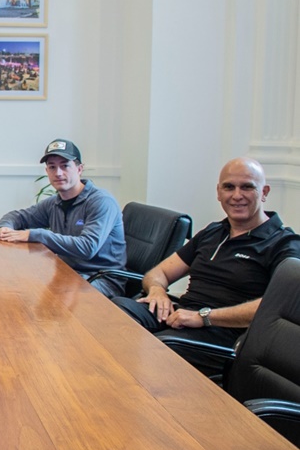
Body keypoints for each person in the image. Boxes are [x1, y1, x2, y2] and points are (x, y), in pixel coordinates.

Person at [111, 158, 300, 375]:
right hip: (180, 315)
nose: (237, 195)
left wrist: (204, 317)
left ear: (264, 192)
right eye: (229, 187)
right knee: (111, 314)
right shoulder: (213, 232)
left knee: (150, 352)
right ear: (219, 192)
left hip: (222, 334)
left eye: (247, 187)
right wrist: (157, 291)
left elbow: (276, 306)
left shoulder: (284, 243)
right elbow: (159, 272)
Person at [0, 139, 127, 298]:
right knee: (15, 286)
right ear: (47, 171)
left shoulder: (101, 201)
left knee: (51, 299)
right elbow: (18, 216)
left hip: (102, 279)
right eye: (52, 167)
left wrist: (36, 234)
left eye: (65, 166)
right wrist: (5, 227)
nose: (58, 173)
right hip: (68, 273)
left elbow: (87, 247)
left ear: (79, 169)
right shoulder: (54, 203)